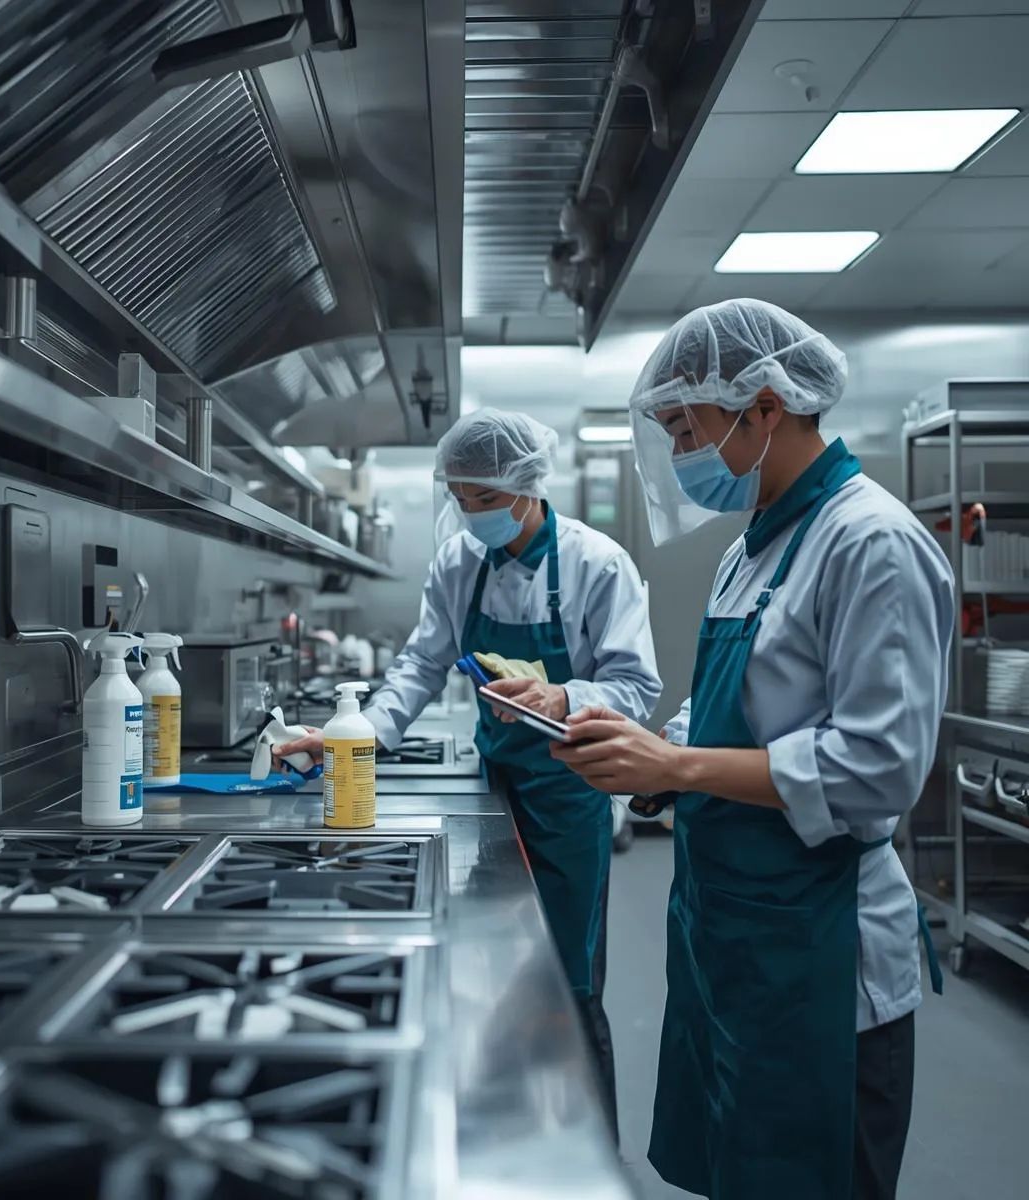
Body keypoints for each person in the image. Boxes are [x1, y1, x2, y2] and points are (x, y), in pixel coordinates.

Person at [552, 298, 953, 1200]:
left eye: (687, 428)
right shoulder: (757, 546)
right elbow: (725, 709)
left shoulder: (872, 543)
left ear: (767, 406)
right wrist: (646, 760)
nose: (685, 455)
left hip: (823, 954)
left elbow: (876, 770)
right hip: (732, 934)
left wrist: (679, 770)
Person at [278, 408, 661, 1136]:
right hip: (496, 789)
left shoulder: (595, 563)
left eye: (485, 498)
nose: (472, 512)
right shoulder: (459, 562)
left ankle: (591, 1151)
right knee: (496, 966)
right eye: (460, 497)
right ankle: (505, 1129)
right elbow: (423, 663)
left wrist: (564, 695)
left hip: (570, 792)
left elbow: (637, 687)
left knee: (571, 983)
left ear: (524, 485)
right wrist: (356, 738)